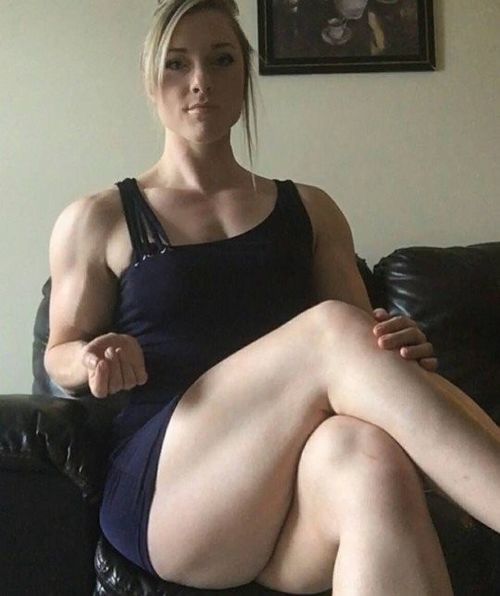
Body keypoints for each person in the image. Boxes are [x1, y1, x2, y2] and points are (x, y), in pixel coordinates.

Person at [44, 1, 499, 594]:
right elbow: (59, 354)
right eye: (177, 64)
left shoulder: (311, 210)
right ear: (150, 82)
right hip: (172, 492)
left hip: (289, 498)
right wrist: (89, 359)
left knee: (369, 457)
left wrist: (396, 348)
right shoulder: (100, 218)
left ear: (244, 76)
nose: (200, 81)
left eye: (221, 60)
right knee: (331, 330)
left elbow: (360, 348)